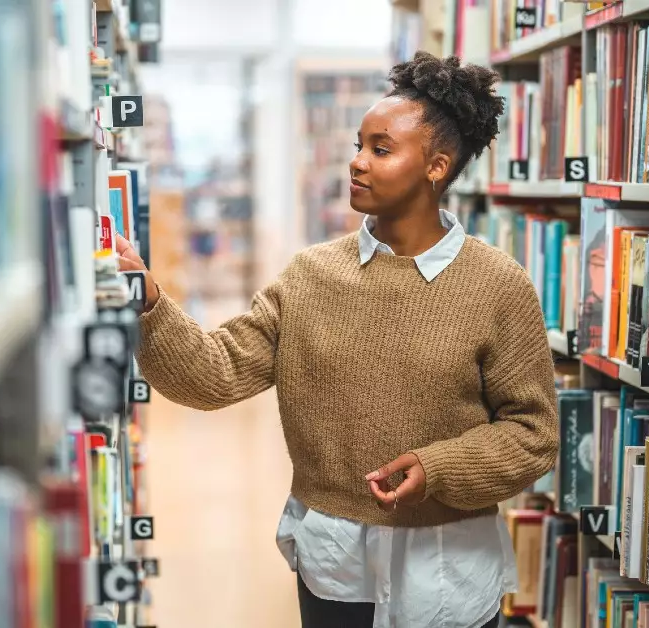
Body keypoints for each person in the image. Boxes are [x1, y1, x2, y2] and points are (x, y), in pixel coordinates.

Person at [114, 51, 559, 628]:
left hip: (449, 564)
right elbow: (214, 374)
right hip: (335, 560)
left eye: (381, 149)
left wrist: (438, 467)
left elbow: (533, 434)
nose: (356, 163)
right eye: (358, 145)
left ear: (436, 167)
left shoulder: (497, 285)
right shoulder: (311, 276)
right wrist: (150, 299)